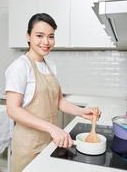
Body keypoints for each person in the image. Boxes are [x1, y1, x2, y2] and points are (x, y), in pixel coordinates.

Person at [5, 13, 101, 172]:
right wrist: (52, 128)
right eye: (39, 35)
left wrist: (81, 112)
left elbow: (58, 101)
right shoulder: (20, 67)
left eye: (51, 36)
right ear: (28, 36)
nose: (46, 42)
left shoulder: (51, 66)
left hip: (50, 142)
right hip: (28, 147)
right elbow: (13, 109)